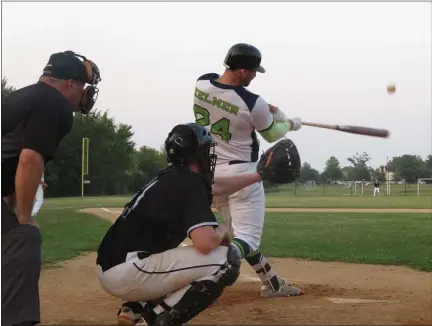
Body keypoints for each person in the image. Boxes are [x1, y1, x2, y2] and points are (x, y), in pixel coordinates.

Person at [96, 123, 246, 326]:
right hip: (127, 270)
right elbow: (205, 243)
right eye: (205, 149)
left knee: (177, 260)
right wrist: (222, 230)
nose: (209, 156)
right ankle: (152, 321)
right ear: (195, 153)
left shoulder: (169, 177)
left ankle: (136, 307)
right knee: (226, 260)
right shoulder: (189, 182)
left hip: (116, 265)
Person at [192, 43, 303, 298]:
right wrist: (290, 124)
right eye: (253, 71)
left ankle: (272, 282)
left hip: (209, 175)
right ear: (242, 70)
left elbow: (235, 101)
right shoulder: (253, 103)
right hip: (243, 175)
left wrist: (271, 108)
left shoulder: (201, 83)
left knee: (237, 235)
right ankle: (205, 278)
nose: (255, 75)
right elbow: (273, 133)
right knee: (247, 240)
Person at [1, 50, 101, 326]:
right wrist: (24, 216)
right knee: (25, 237)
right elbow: (29, 158)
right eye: (83, 86)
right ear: (70, 83)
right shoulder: (55, 103)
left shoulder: (22, 95)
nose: (84, 94)